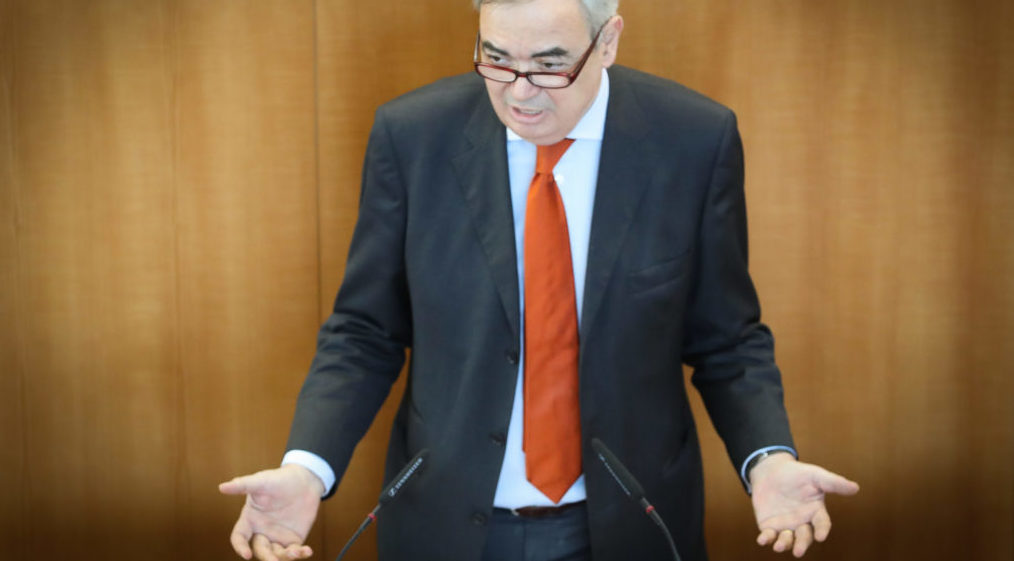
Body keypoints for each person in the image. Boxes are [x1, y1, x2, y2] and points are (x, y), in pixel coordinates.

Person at [219, 1, 859, 560]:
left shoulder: (693, 140)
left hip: (630, 521)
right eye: (496, 58)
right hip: (447, 521)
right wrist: (307, 467)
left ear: (608, 42)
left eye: (551, 65)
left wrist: (767, 457)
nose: (519, 93)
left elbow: (727, 338)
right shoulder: (412, 136)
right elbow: (365, 331)